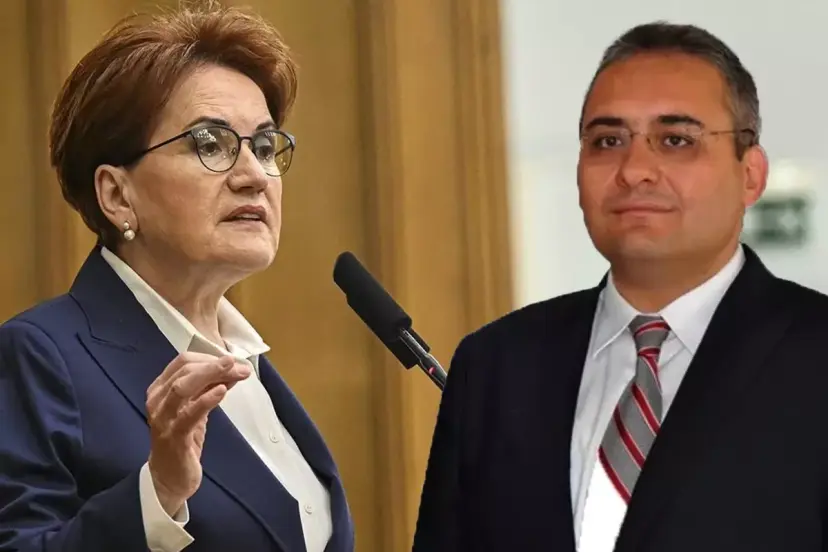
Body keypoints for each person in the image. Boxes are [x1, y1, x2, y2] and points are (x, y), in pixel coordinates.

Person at [413, 21, 828, 552]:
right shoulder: (496, 366)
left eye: (675, 140)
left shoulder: (817, 355)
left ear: (751, 174)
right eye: (608, 141)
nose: (635, 170)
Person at [0, 4, 353, 552]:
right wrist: (157, 496)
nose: (255, 175)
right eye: (210, 144)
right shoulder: (41, 359)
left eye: (264, 146)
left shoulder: (250, 365)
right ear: (117, 195)